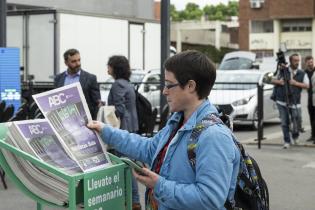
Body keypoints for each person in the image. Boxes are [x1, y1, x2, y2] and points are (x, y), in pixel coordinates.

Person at [88, 50, 240, 210]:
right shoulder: (178, 121)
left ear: (190, 86)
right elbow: (149, 148)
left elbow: (209, 198)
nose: (164, 91)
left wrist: (159, 185)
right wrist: (105, 130)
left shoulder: (213, 136)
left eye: (169, 85)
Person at [106, 55, 141, 210]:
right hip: (132, 127)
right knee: (128, 165)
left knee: (125, 166)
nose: (107, 68)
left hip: (123, 130)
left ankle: (133, 201)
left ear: (115, 68)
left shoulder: (117, 85)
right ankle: (132, 200)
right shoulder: (127, 83)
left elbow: (119, 109)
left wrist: (106, 111)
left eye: (109, 65)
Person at [272, 53, 309, 149]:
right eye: (295, 61)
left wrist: (295, 83)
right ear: (290, 61)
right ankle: (287, 141)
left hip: (296, 101)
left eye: (298, 61)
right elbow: (271, 79)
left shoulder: (302, 73)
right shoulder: (282, 70)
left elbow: (307, 85)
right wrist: (279, 82)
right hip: (282, 101)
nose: (297, 62)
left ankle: (295, 136)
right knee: (284, 122)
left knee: (297, 119)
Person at [54, 48, 102, 120]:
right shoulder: (58, 78)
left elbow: (96, 102)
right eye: (74, 61)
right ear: (66, 63)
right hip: (64, 119)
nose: (78, 63)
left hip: (85, 120)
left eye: (79, 60)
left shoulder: (90, 78)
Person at [304, 56, 315, 143]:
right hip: (310, 98)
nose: (311, 63)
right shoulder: (305, 73)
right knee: (311, 117)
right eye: (309, 62)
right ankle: (313, 135)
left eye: (312, 62)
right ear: (306, 63)